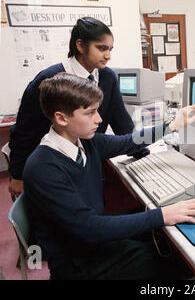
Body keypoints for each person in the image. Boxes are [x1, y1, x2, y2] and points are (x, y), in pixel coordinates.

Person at [23, 73, 195, 280]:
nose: (99, 119)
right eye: (90, 113)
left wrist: (171, 126)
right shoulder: (43, 168)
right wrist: (162, 214)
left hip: (86, 235)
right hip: (73, 261)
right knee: (147, 257)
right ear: (61, 117)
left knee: (159, 236)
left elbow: (129, 141)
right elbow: (89, 227)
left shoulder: (83, 142)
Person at [8, 16, 148, 200]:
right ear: (81, 46)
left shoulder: (108, 78)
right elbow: (24, 132)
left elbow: (122, 122)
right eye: (102, 48)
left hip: (87, 164)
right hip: (54, 167)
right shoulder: (48, 80)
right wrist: (17, 175)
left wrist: (144, 156)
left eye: (110, 49)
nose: (108, 56)